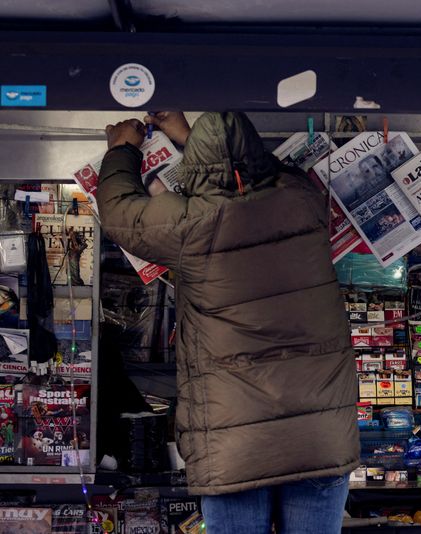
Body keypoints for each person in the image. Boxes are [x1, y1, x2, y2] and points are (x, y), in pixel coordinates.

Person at [97, 112, 359, 534]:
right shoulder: (303, 200)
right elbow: (272, 171)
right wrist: (191, 137)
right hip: (320, 436)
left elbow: (119, 211)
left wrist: (122, 148)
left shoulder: (188, 225)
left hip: (233, 445)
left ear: (197, 164)